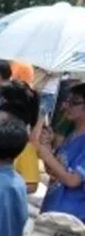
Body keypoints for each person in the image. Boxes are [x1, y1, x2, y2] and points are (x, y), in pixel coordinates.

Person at [39, 82, 85, 219]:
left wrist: (45, 154)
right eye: (67, 101)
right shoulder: (71, 135)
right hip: (51, 210)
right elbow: (53, 171)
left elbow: (73, 180)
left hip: (69, 219)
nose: (66, 106)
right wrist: (47, 146)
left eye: (74, 102)